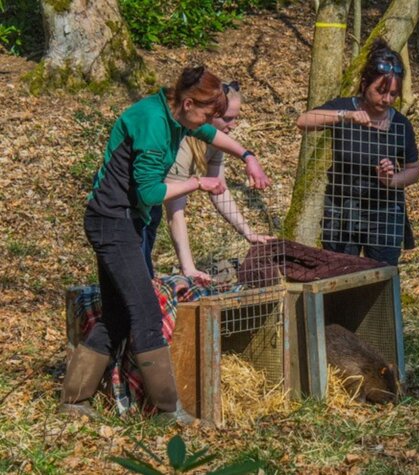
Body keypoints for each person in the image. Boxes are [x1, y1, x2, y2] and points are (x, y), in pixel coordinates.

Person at [59, 66, 269, 424]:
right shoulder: (156, 126)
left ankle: (74, 400)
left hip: (122, 220)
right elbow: (152, 192)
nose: (210, 122)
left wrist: (248, 156)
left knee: (118, 315)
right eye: (206, 113)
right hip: (112, 222)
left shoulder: (172, 112)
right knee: (145, 313)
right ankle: (168, 411)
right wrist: (198, 183)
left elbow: (210, 133)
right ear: (188, 102)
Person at [295, 39, 419, 266]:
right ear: (364, 84)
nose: (387, 100)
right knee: (340, 272)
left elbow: (413, 169)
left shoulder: (401, 125)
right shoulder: (344, 108)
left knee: (381, 277)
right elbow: (303, 121)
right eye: (380, 91)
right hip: (341, 210)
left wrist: (391, 179)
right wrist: (345, 116)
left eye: (393, 94)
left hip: (384, 213)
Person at [163, 80, 271, 285]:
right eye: (228, 118)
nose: (234, 125)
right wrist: (189, 268)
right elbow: (175, 211)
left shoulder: (217, 142)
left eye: (236, 118)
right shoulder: (181, 145)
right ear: (212, 114)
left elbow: (219, 190)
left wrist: (249, 233)